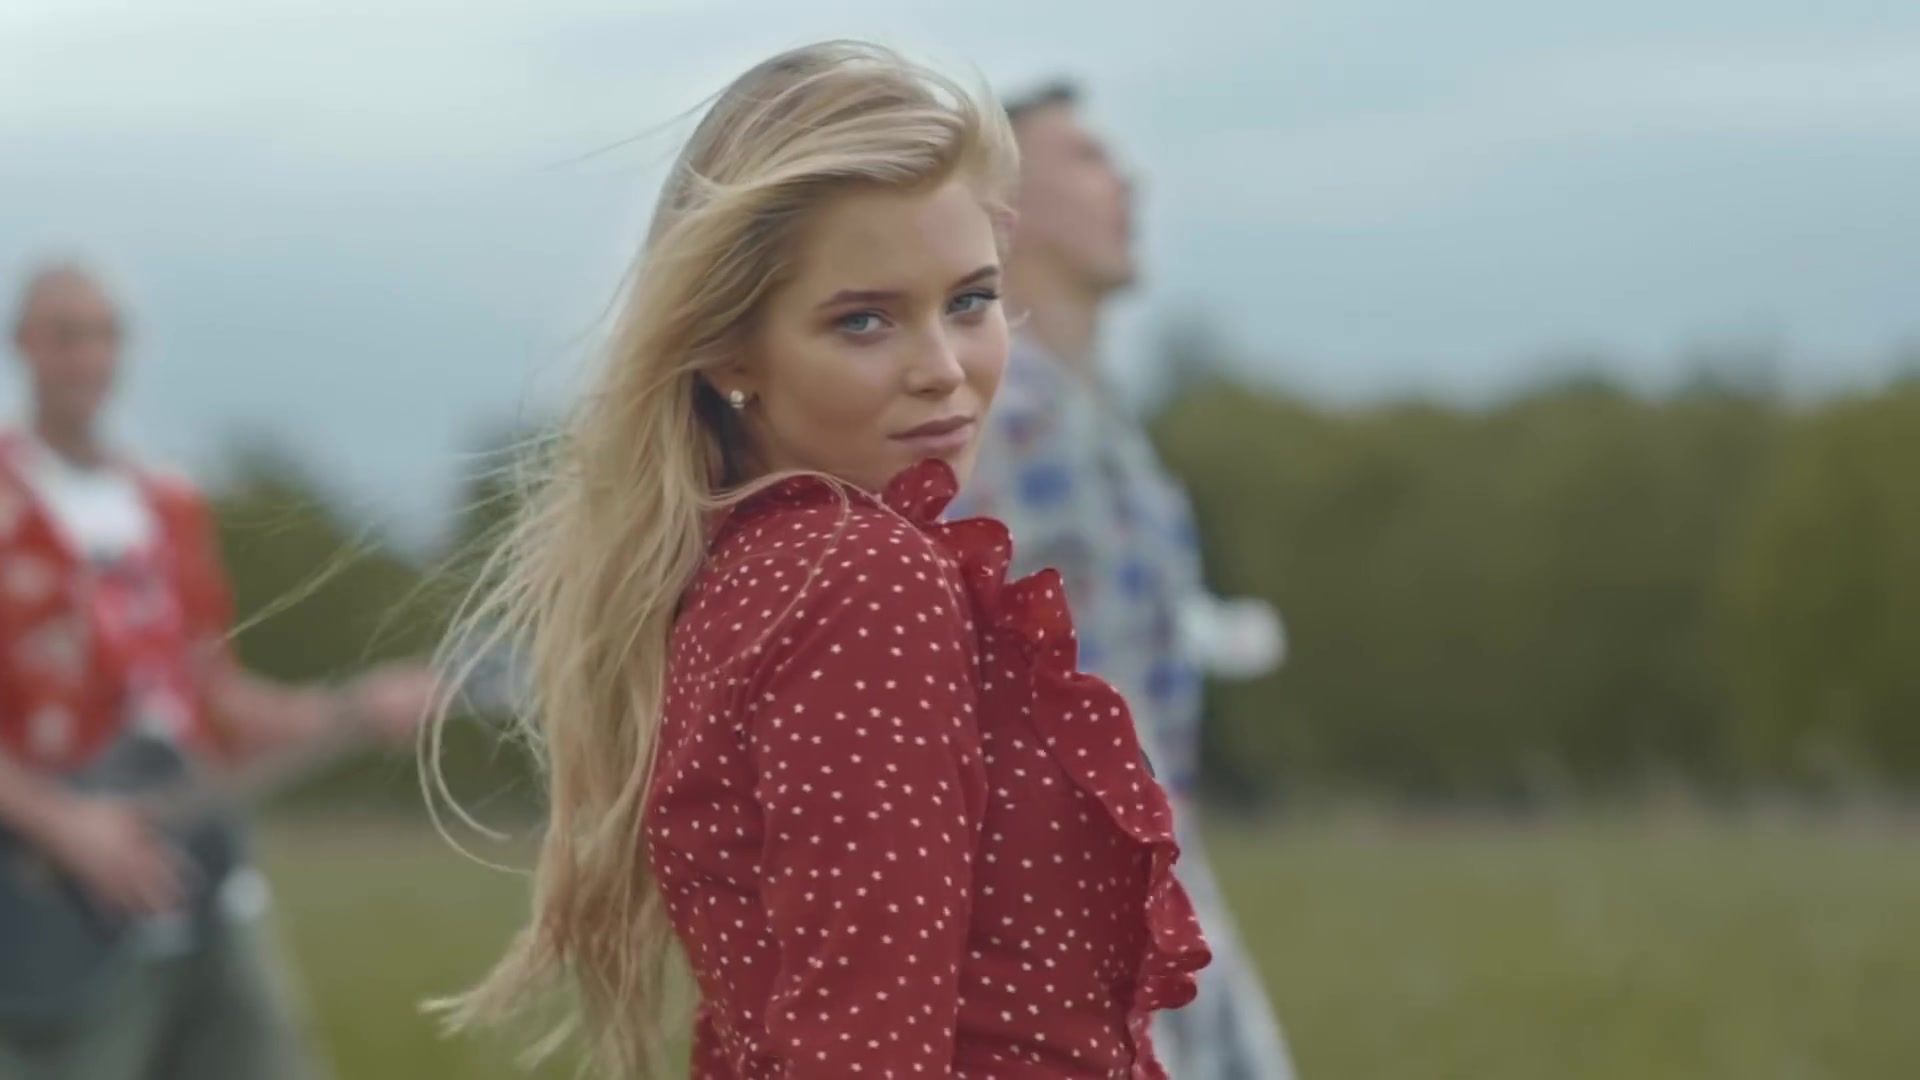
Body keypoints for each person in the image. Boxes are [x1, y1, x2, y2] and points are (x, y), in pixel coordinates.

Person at [435, 41, 1210, 1080]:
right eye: (863, 321)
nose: (943, 370)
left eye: (970, 301)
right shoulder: (860, 578)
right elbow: (859, 1048)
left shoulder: (765, 564)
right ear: (731, 350)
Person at [0, 262, 436, 1079]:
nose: (89, 356)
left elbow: (215, 696)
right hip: (54, 906)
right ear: (25, 344)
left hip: (202, 873)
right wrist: (66, 825)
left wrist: (351, 708)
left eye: (104, 334)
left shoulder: (166, 504)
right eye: (66, 335)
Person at [948, 82, 1298, 1079]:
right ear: (1006, 207)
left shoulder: (1093, 415)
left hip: (1153, 887)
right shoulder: (984, 413)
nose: (1129, 182)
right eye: (1088, 157)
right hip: (1055, 914)